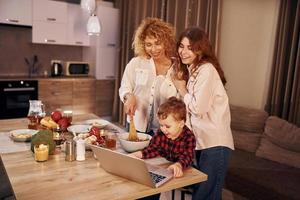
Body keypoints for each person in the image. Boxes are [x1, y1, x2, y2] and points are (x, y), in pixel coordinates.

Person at [172, 27, 234, 200]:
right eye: (181, 46)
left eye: (190, 48)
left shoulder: (206, 70)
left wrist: (182, 88)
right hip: (202, 143)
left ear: (201, 49)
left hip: (215, 144)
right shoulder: (194, 71)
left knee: (206, 196)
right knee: (203, 194)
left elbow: (198, 109)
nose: (183, 52)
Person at [119, 17, 178, 136]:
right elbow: (125, 86)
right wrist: (128, 96)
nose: (153, 49)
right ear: (143, 44)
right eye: (148, 44)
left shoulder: (177, 68)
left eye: (158, 43)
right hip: (136, 124)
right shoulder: (136, 63)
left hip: (164, 131)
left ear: (166, 42)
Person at [131, 97, 196, 177]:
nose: (163, 129)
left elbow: (187, 156)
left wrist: (178, 165)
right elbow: (153, 149)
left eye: (168, 126)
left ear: (181, 124)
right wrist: (137, 155)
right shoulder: (161, 133)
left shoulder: (189, 137)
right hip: (166, 165)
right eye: (161, 125)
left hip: (183, 169)